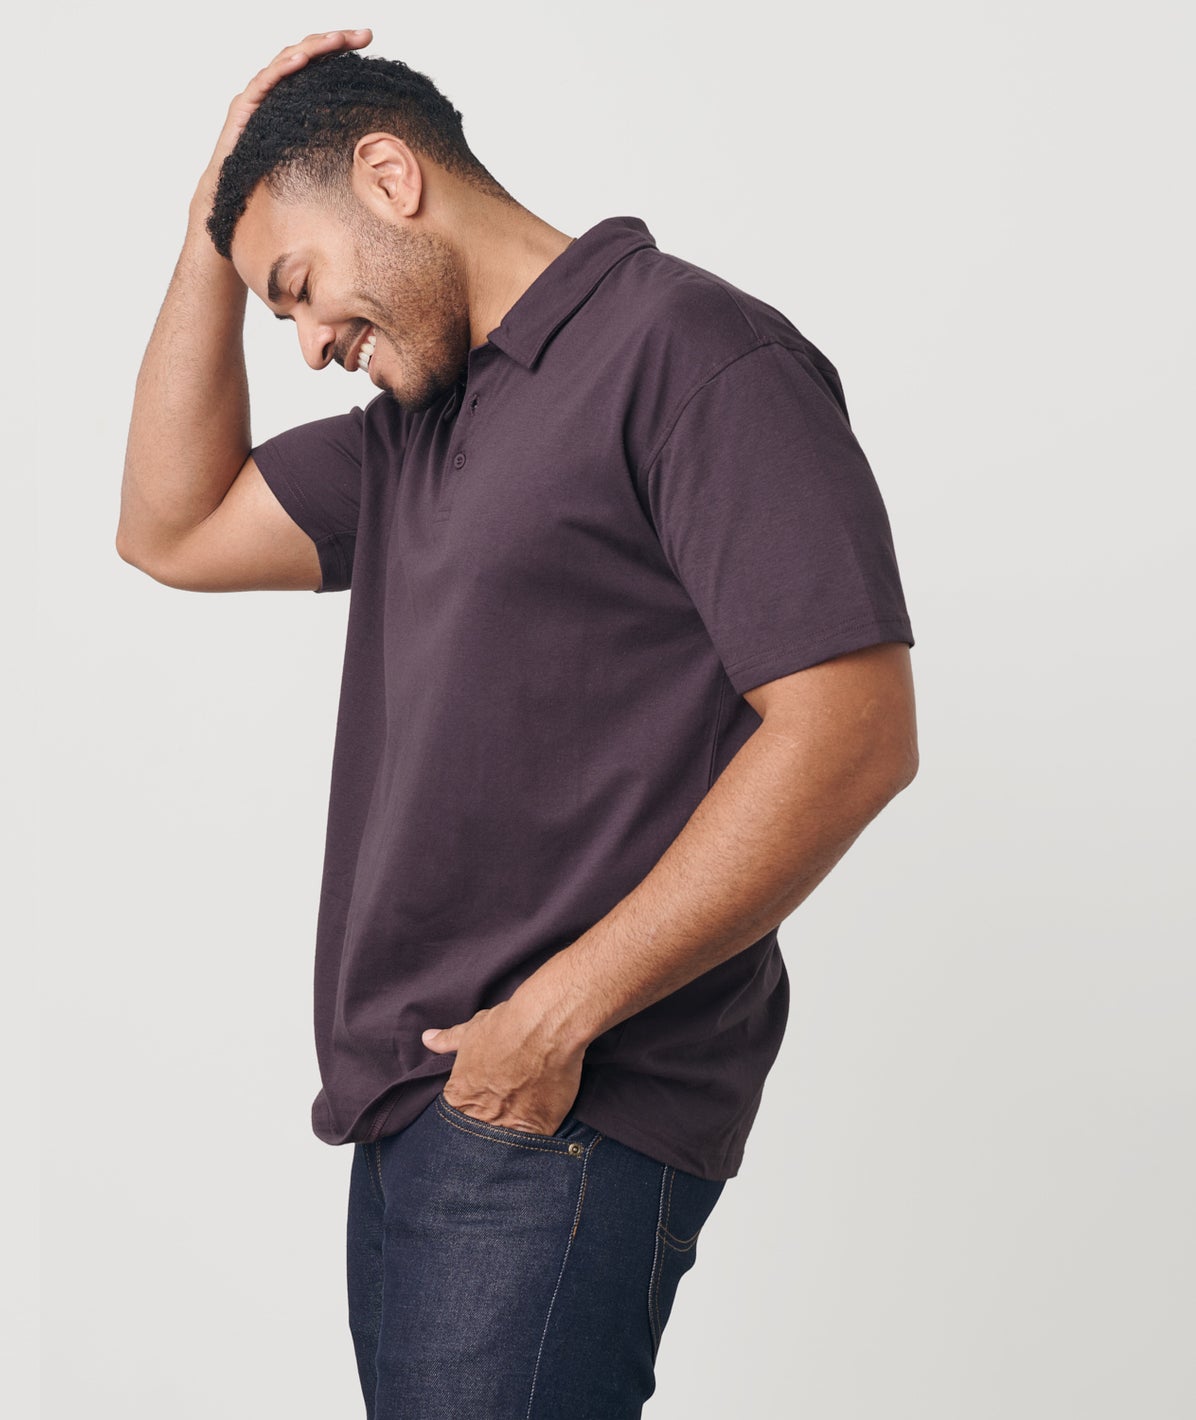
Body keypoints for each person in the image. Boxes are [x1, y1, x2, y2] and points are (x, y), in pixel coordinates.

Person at [116, 28, 919, 1418]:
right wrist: (215, 227)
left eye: (297, 287)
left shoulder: (692, 352)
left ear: (390, 175)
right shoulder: (418, 422)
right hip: (425, 1117)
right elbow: (168, 528)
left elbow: (851, 728)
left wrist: (552, 1021)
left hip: (562, 1110)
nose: (307, 346)